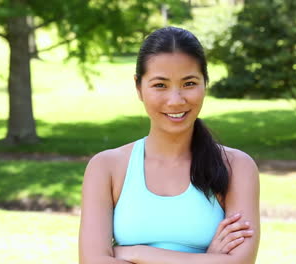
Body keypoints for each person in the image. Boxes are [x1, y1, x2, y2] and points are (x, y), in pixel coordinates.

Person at [79, 26, 260, 264]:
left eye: (189, 83)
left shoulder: (236, 167)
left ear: (205, 83)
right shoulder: (106, 168)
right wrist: (208, 259)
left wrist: (136, 253)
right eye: (160, 85)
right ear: (138, 87)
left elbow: (239, 262)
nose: (175, 100)